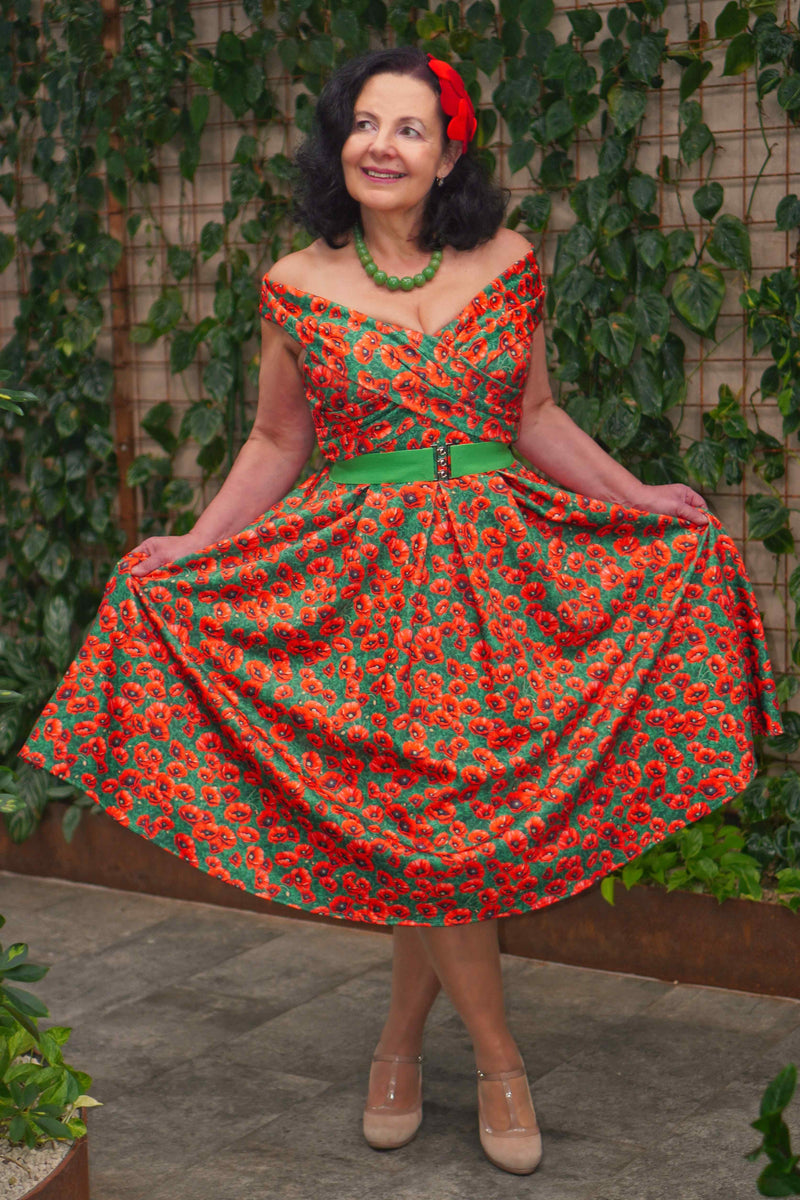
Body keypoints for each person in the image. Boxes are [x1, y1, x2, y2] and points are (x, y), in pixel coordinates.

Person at [19, 46, 782, 1177]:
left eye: (409, 128)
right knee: (427, 831)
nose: (381, 144)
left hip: (498, 574)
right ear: (339, 144)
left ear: (448, 153)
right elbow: (280, 440)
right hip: (361, 587)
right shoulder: (291, 281)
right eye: (363, 124)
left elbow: (530, 412)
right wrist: (195, 544)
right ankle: (499, 1057)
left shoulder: (509, 260)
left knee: (441, 831)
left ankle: (395, 1041)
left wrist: (631, 498)